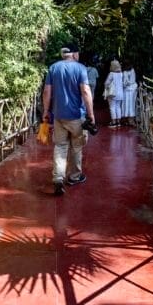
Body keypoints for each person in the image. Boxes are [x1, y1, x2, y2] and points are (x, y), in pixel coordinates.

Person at [42, 43, 95, 196]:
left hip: (58, 116)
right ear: (74, 54)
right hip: (77, 116)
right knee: (77, 147)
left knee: (60, 147)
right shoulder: (80, 68)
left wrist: (46, 111)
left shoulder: (53, 68)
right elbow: (85, 91)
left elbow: (47, 91)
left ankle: (58, 177)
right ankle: (74, 177)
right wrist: (91, 114)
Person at [103, 59, 124, 128]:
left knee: (112, 107)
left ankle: (113, 122)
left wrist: (106, 86)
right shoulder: (121, 74)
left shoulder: (111, 74)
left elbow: (106, 83)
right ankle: (118, 121)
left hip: (113, 93)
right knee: (118, 107)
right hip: (120, 93)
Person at [121, 60, 138, 127]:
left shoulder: (125, 72)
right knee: (132, 104)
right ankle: (131, 119)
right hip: (133, 88)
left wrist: (122, 84)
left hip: (127, 90)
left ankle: (129, 120)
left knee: (127, 105)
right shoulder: (133, 70)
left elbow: (125, 82)